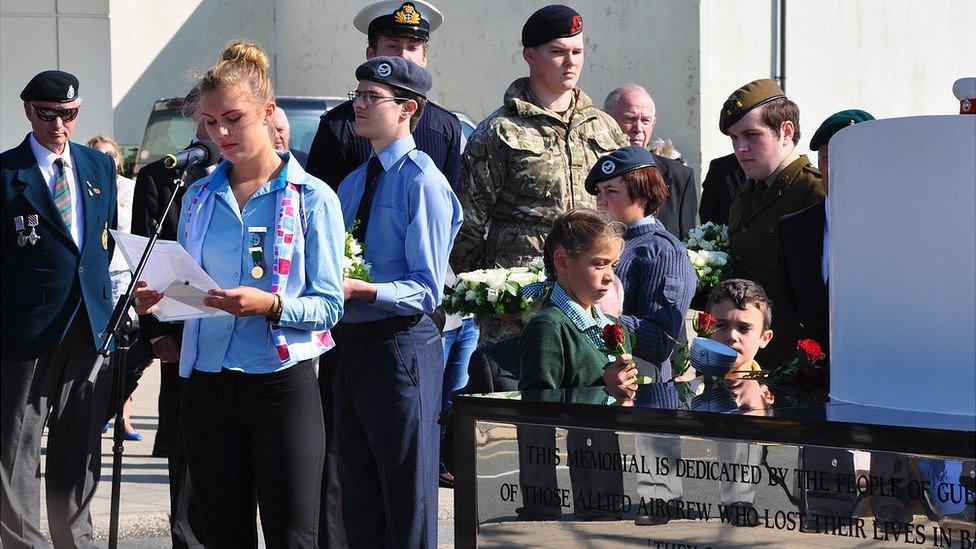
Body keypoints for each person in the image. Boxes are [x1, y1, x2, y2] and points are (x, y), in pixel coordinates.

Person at [134, 40, 345, 547]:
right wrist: (159, 299)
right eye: (210, 121)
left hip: (280, 387)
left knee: (293, 535)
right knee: (221, 533)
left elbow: (329, 305)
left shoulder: (312, 197)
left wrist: (270, 304)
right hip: (206, 386)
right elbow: (189, 284)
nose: (220, 133)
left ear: (268, 113)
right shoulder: (198, 195)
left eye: (233, 118)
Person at [333, 56, 461, 548]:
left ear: (408, 108)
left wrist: (363, 290)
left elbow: (427, 287)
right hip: (352, 342)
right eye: (357, 94)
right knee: (358, 490)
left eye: (372, 97)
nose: (359, 105)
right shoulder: (352, 182)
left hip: (401, 344)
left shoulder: (422, 181)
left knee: (407, 494)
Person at [452, 4, 627, 345]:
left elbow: (627, 212)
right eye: (557, 52)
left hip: (595, 305)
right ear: (530, 55)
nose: (571, 61)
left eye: (577, 52)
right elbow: (466, 225)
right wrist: (493, 295)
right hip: (521, 309)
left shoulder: (605, 128)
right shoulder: (500, 131)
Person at [1, 70, 118, 548]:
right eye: (49, 115)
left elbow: (103, 244)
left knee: (79, 447)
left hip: (88, 325)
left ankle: (77, 541)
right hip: (25, 331)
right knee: (15, 451)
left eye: (69, 114)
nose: (59, 125)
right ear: (29, 111)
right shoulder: (8, 174)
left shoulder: (97, 166)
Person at [586, 147, 697, 526]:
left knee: (656, 515)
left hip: (650, 390)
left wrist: (605, 316)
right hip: (607, 387)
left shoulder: (660, 251)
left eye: (612, 191)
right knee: (596, 511)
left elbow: (659, 339)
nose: (601, 200)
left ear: (643, 192)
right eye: (598, 191)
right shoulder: (606, 246)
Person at [130, 89, 212, 549]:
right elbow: (147, 257)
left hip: (243, 338)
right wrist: (158, 332)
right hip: (181, 338)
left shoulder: (256, 174)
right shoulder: (168, 175)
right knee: (187, 460)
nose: (216, 129)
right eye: (207, 118)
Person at [518, 208, 630, 520]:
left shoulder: (608, 323)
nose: (609, 275)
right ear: (563, 262)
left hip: (605, 477)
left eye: (613, 265)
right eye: (599, 264)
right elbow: (537, 417)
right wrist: (544, 508)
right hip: (570, 495)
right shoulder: (550, 326)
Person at [721, 78, 825, 365]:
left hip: (798, 358)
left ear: (786, 131)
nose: (740, 148)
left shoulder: (814, 192)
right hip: (751, 352)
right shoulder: (745, 194)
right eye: (734, 138)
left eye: (751, 135)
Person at [305, 0, 460, 191]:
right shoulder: (339, 126)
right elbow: (316, 206)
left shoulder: (446, 127)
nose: (403, 56)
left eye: (413, 47)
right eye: (393, 46)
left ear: (424, 58)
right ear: (371, 54)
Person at [778, 109, 875, 357]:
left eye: (851, 156)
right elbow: (789, 312)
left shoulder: (894, 230)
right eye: (828, 157)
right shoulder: (793, 229)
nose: (836, 168)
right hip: (812, 379)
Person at [87, 134, 146, 442]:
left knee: (126, 346)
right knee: (101, 347)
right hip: (99, 276)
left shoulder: (129, 188)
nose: (105, 158)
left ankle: (123, 416)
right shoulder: (87, 186)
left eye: (109, 154)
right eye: (97, 153)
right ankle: (97, 412)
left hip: (124, 273)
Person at [604, 84, 698, 239]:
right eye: (629, 118)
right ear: (606, 120)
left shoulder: (679, 176)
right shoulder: (591, 171)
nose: (638, 128)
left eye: (646, 120)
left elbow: (687, 242)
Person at [698, 152, 746, 226]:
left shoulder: (768, 171)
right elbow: (707, 211)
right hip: (728, 234)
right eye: (735, 139)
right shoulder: (720, 167)